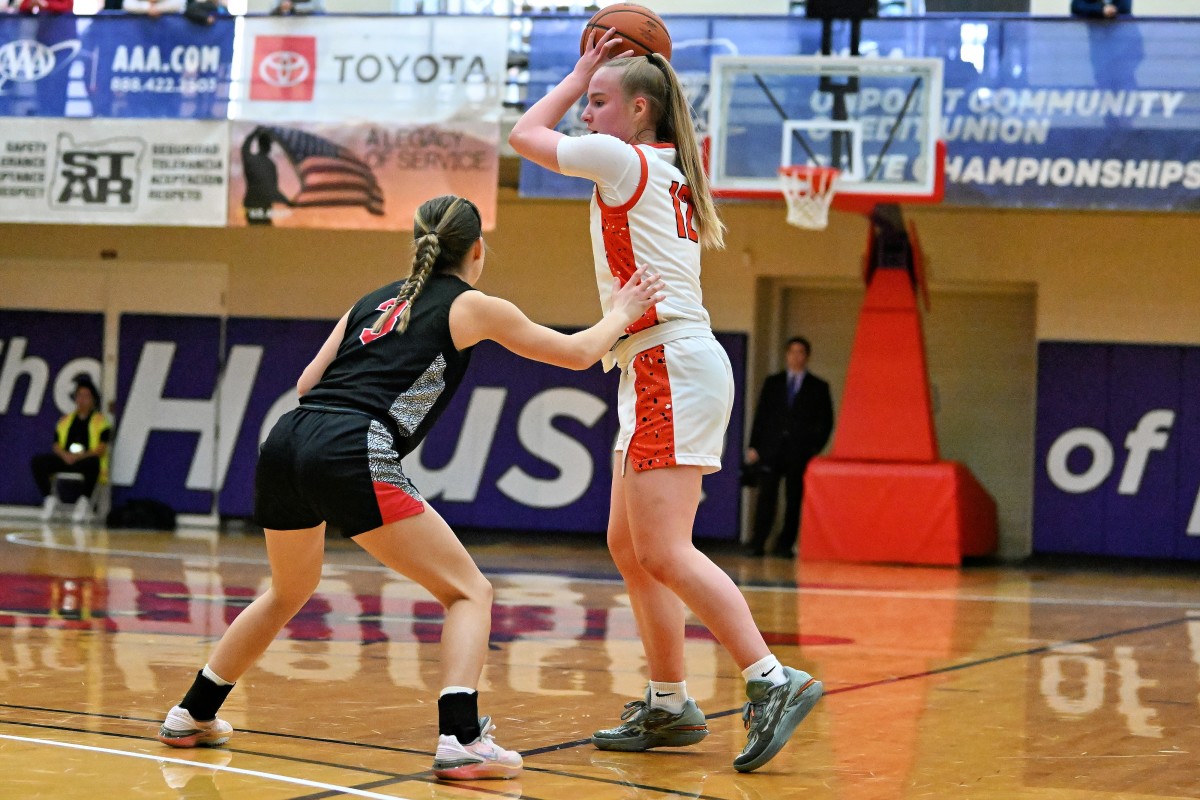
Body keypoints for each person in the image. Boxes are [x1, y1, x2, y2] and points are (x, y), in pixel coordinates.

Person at [155, 194, 664, 782]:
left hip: (287, 440)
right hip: (351, 445)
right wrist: (623, 311)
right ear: (477, 250)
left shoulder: (372, 301)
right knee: (469, 591)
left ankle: (192, 712)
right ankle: (461, 738)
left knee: (287, 590)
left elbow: (304, 384)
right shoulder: (471, 305)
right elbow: (577, 353)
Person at [508, 28, 823, 773]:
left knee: (662, 549)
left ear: (639, 108)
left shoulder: (623, 159)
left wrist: (580, 64)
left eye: (598, 100)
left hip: (667, 366)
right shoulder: (664, 164)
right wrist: (599, 72)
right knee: (631, 546)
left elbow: (524, 133)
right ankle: (669, 701)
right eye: (585, 99)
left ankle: (772, 680)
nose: (586, 112)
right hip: (658, 364)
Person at [744, 336, 834, 558]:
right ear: (786, 355)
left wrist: (814, 448)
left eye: (800, 352)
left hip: (799, 451)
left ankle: (785, 545)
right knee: (767, 496)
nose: (796, 356)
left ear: (807, 356)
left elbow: (827, 421)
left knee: (794, 498)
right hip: (771, 449)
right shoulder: (773, 382)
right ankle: (758, 542)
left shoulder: (818, 387)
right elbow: (761, 415)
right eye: (792, 352)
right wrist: (754, 445)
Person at [31, 375, 112, 523]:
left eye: (86, 396)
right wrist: (65, 455)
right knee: (38, 461)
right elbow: (56, 444)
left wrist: (80, 456)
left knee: (94, 463)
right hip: (66, 459)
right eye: (79, 395)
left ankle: (84, 501)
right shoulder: (65, 420)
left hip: (85, 461)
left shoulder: (101, 422)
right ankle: (49, 498)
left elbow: (101, 448)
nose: (82, 399)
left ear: (93, 399)